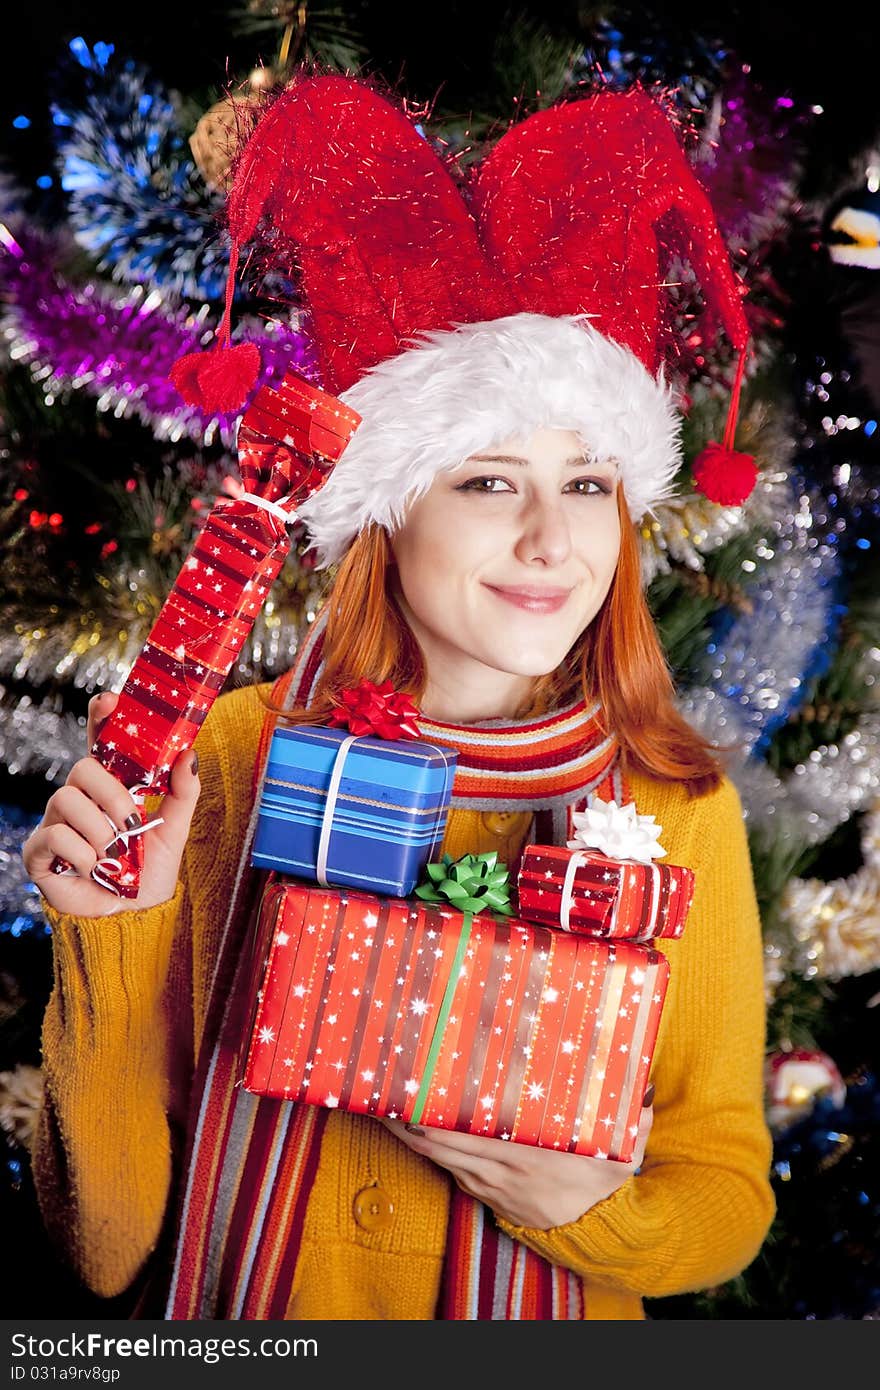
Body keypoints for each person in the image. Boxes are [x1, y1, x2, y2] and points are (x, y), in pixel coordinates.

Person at [22, 72, 775, 1321]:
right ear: (387, 504)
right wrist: (104, 936)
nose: (549, 540)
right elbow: (101, 1248)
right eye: (487, 482)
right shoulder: (228, 755)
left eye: (588, 485)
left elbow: (725, 1193)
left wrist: (592, 1212)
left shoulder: (674, 801)